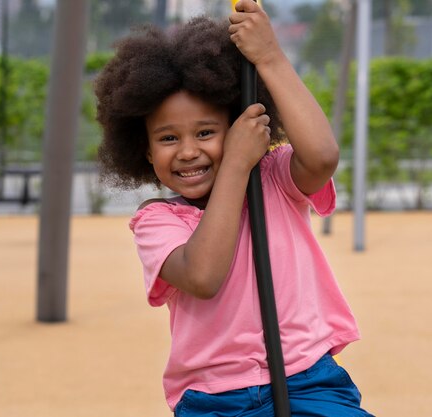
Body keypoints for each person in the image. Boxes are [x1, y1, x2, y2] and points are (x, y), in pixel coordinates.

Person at [95, 1, 373, 415]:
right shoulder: (157, 222)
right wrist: (237, 164)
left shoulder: (274, 179)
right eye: (168, 139)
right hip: (215, 398)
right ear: (146, 152)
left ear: (241, 127)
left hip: (307, 378)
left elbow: (321, 157)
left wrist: (270, 58)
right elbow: (203, 275)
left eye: (206, 132)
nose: (188, 151)